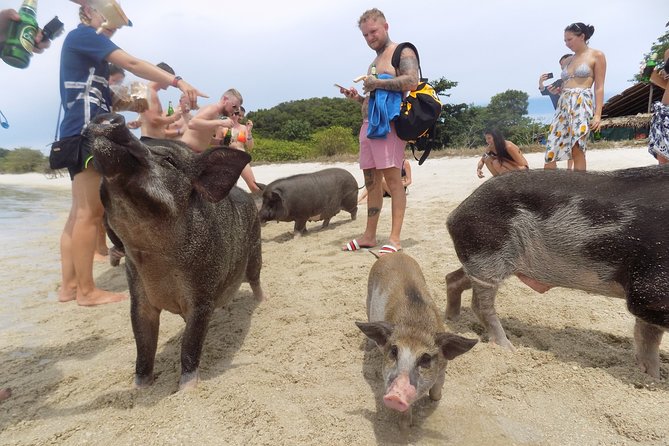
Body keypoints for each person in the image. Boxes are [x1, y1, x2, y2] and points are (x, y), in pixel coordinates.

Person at [56, 0, 206, 306]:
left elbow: (103, 97)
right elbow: (134, 64)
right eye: (108, 20)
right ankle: (86, 291)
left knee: (78, 213)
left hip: (74, 131)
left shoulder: (84, 48)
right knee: (90, 213)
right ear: (88, 13)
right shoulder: (83, 35)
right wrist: (178, 81)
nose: (112, 29)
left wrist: (131, 108)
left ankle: (70, 286)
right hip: (86, 132)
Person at [340, 8, 419, 255]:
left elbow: (411, 81)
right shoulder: (374, 61)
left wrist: (377, 83)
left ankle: (394, 239)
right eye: (365, 35)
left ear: (386, 26)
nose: (370, 38)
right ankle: (369, 236)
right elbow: (375, 98)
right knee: (371, 182)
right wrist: (358, 98)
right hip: (369, 126)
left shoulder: (402, 51)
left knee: (394, 182)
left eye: (373, 31)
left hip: (389, 127)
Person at [544, 22, 606, 172]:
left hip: (581, 101)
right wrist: (557, 91)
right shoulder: (568, 60)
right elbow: (566, 85)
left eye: (569, 39)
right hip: (563, 103)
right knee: (551, 148)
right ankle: (547, 190)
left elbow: (599, 87)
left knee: (577, 148)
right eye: (565, 40)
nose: (566, 44)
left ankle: (580, 189)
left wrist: (597, 114)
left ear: (582, 36)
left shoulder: (597, 55)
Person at [212, 106, 262, 194]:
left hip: (241, 157)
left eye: (237, 113)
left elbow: (250, 146)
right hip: (227, 158)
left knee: (254, 186)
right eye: (233, 112)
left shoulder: (244, 128)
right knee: (230, 188)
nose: (234, 115)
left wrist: (249, 131)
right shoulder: (221, 127)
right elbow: (216, 144)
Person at [180, 88, 242, 153]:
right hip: (186, 151)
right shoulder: (212, 109)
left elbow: (204, 137)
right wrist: (221, 122)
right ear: (225, 99)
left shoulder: (217, 115)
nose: (234, 111)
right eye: (234, 106)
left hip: (195, 154)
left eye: (236, 109)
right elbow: (192, 124)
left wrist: (221, 142)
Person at [135, 62, 183, 141]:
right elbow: (153, 120)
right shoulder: (149, 92)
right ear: (162, 75)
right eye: (170, 78)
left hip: (152, 140)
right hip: (150, 141)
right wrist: (173, 118)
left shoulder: (148, 92)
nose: (171, 83)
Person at [648, 48, 669, 164]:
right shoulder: (668, 53)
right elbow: (667, 85)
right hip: (665, 114)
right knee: (663, 166)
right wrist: (653, 76)